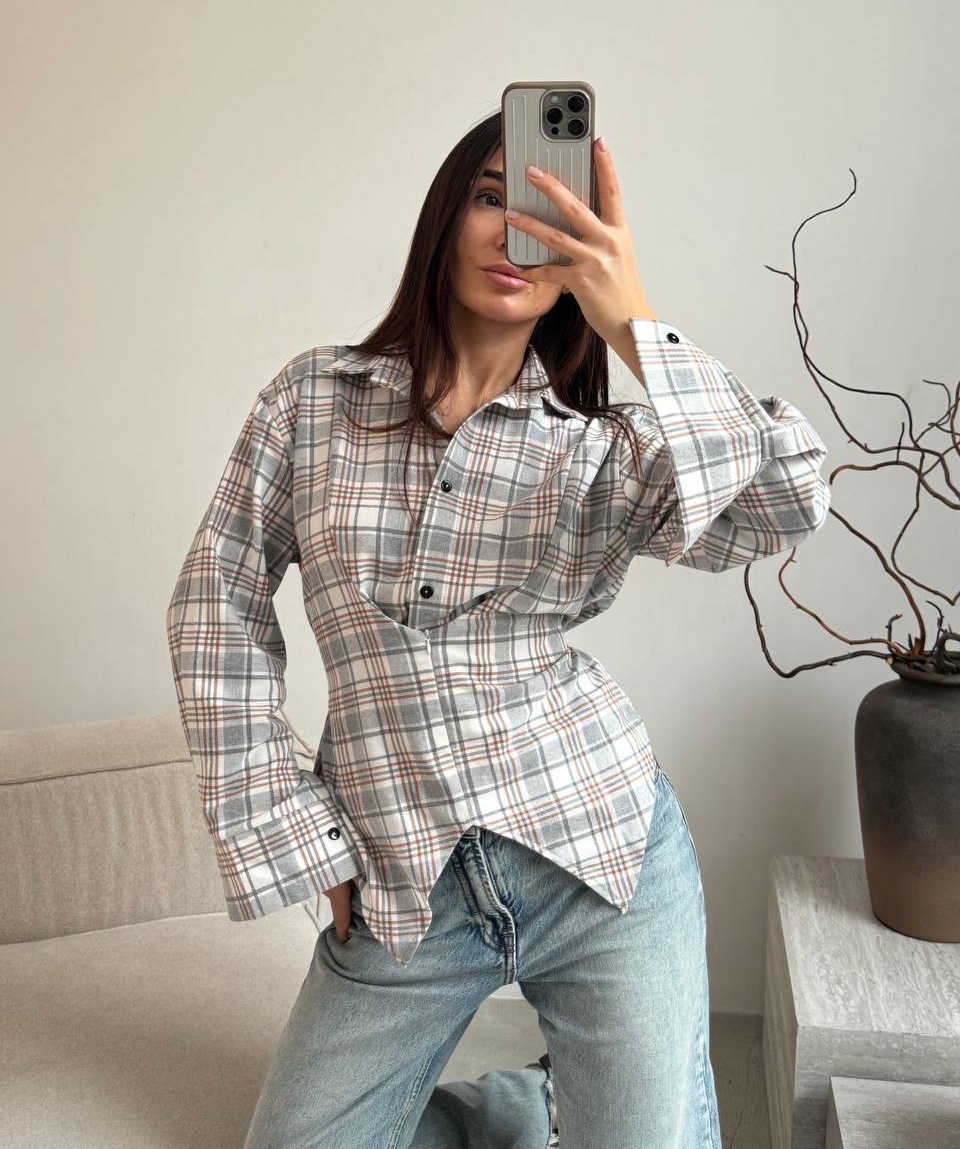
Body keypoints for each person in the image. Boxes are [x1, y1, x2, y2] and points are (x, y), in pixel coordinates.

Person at [165, 113, 830, 1148]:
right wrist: (293, 828)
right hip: (401, 875)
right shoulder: (313, 402)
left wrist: (635, 325)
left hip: (602, 855)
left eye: (554, 218)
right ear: (445, 218)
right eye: (491, 197)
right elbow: (216, 602)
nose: (518, 233)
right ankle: (523, 1106)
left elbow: (788, 499)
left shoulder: (603, 451)